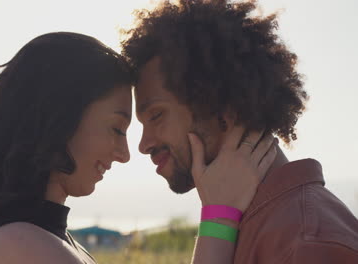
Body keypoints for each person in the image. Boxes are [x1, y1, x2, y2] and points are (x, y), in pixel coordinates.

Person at [0, 31, 275, 264]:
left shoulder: (39, 238)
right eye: (115, 128)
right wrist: (219, 215)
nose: (124, 154)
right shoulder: (16, 245)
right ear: (59, 118)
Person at [121, 0, 358, 263]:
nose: (143, 144)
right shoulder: (255, 223)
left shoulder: (306, 245)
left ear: (223, 109)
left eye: (156, 116)